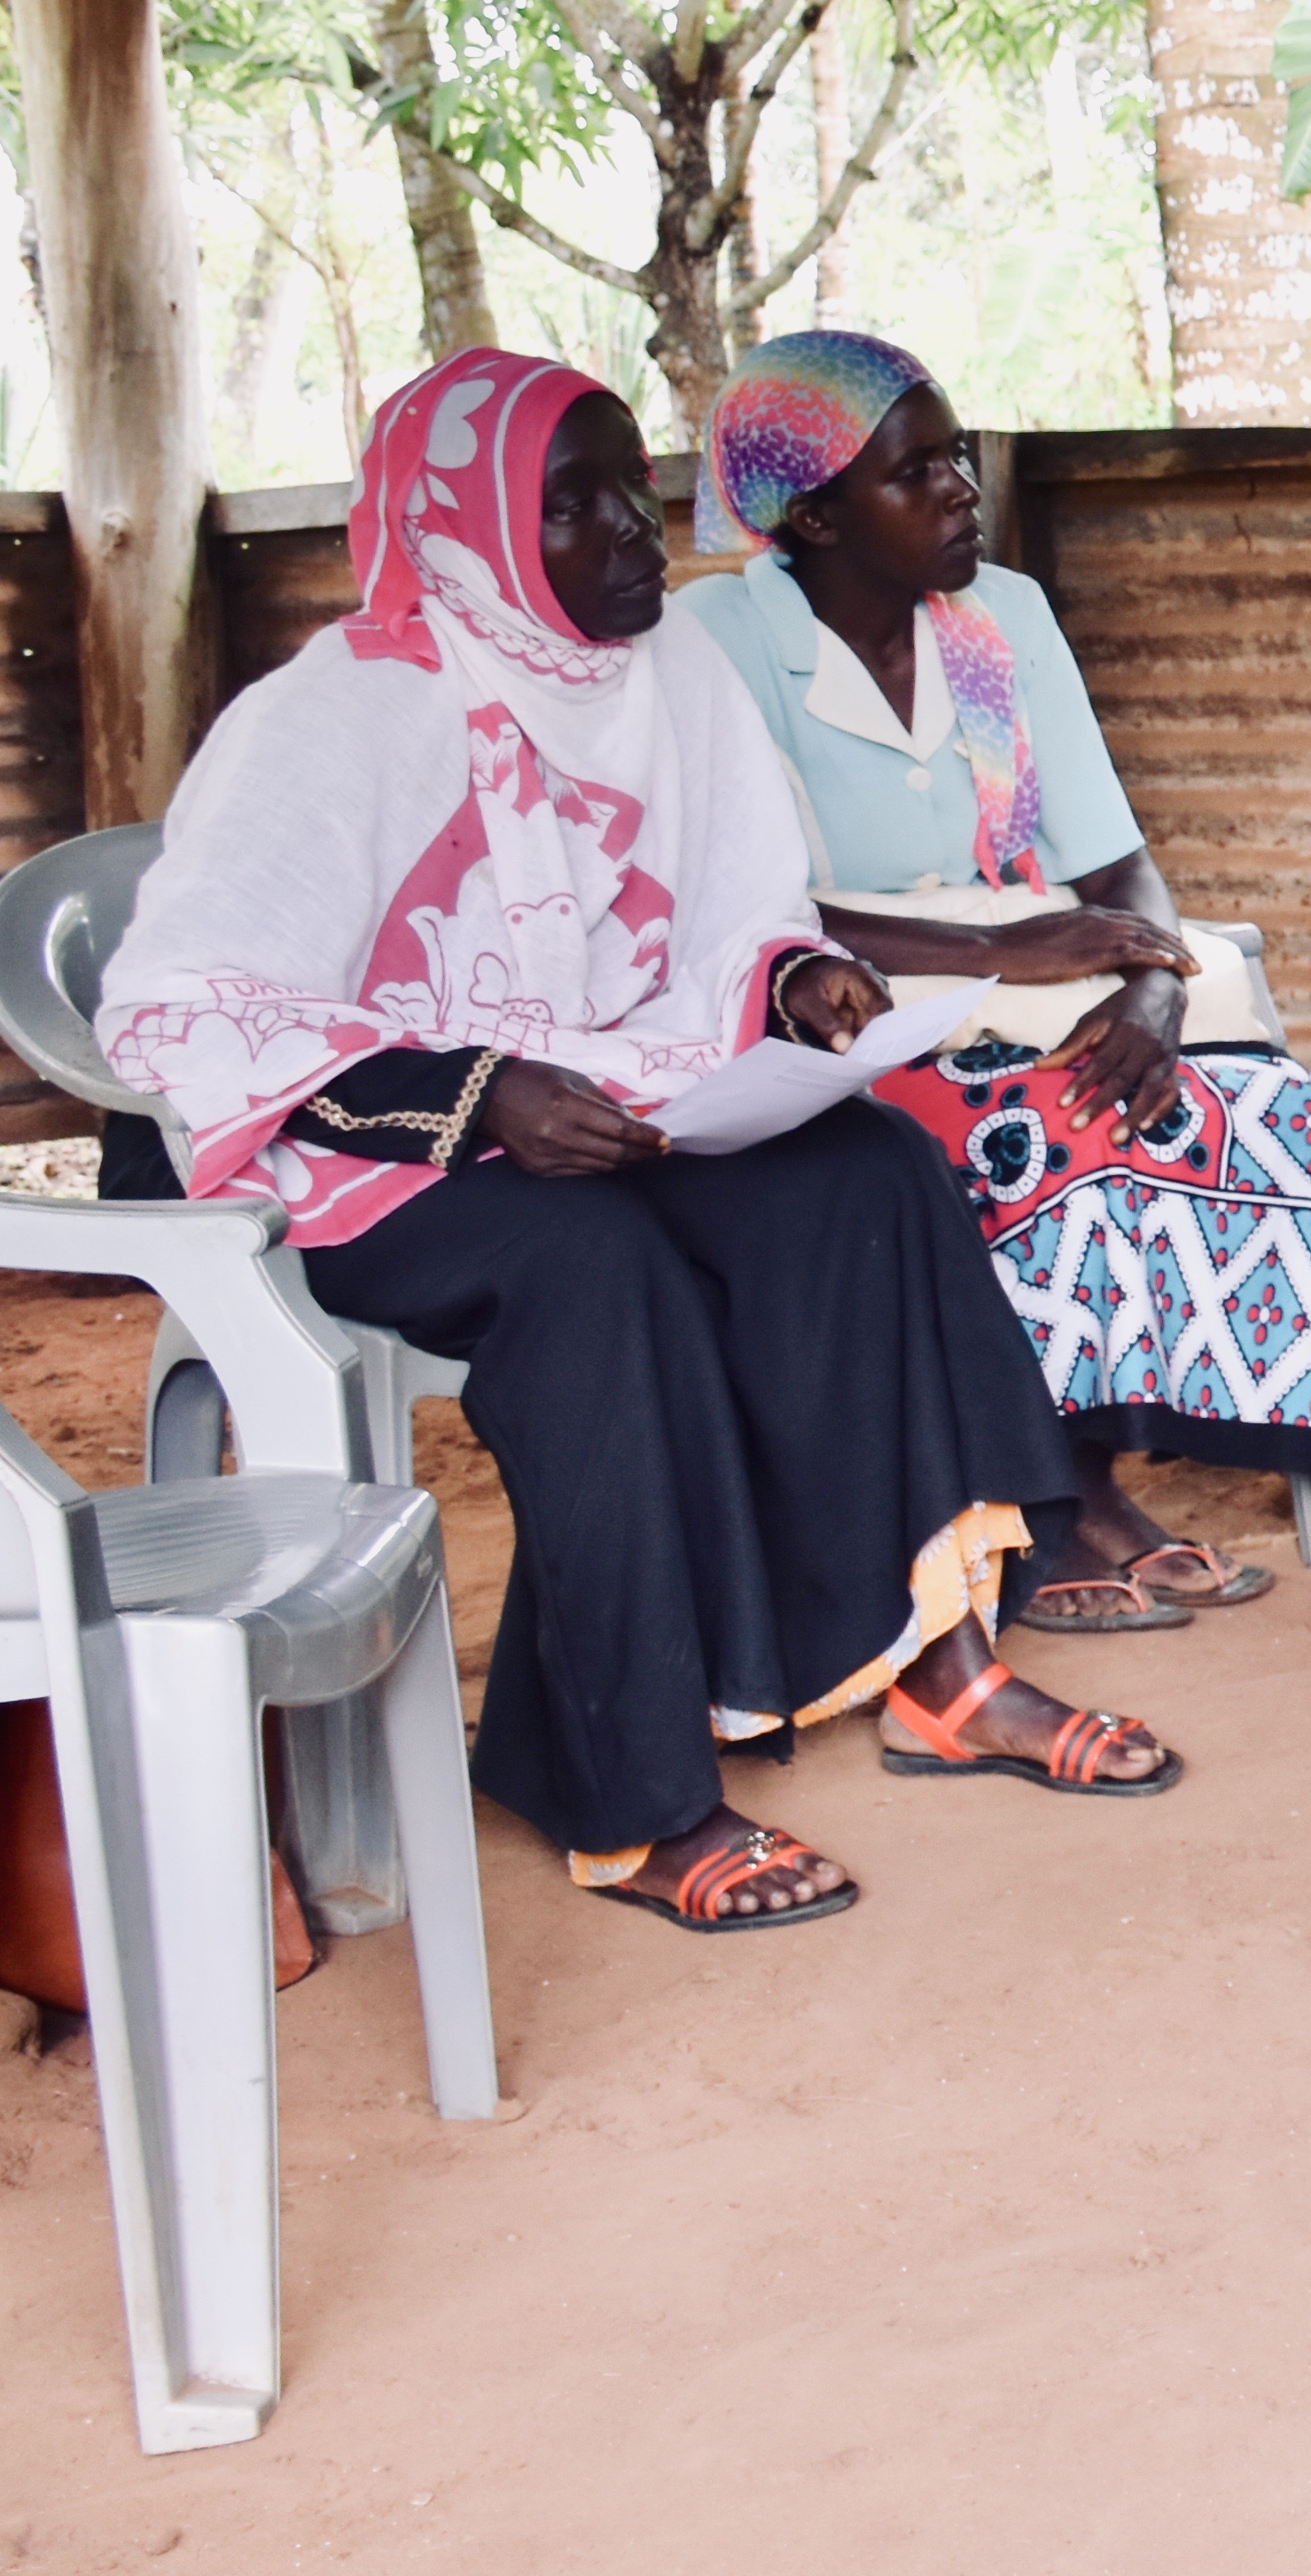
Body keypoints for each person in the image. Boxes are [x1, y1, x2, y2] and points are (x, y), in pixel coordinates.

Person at [100, 352, 1182, 1935]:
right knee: (595, 1271)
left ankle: (940, 1669)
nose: (633, 532)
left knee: (863, 1177)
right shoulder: (335, 714)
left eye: (635, 489)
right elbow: (189, 1007)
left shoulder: (662, 670)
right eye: (572, 504)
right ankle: (640, 1798)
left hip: (617, 1096)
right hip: (371, 1157)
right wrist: (479, 1094)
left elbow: (736, 909)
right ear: (462, 531)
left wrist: (793, 981)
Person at [670, 327, 1311, 1634]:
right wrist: (997, 953)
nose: (961, 489)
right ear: (812, 515)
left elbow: (1119, 871)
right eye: (916, 472)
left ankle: (1090, 1480)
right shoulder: (714, 641)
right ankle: (1034, 1510)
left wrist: (1154, 991)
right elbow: (749, 903)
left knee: (1251, 1109)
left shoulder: (1006, 619)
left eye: (957, 456)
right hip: (849, 998)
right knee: (1029, 1127)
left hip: (1039, 968)